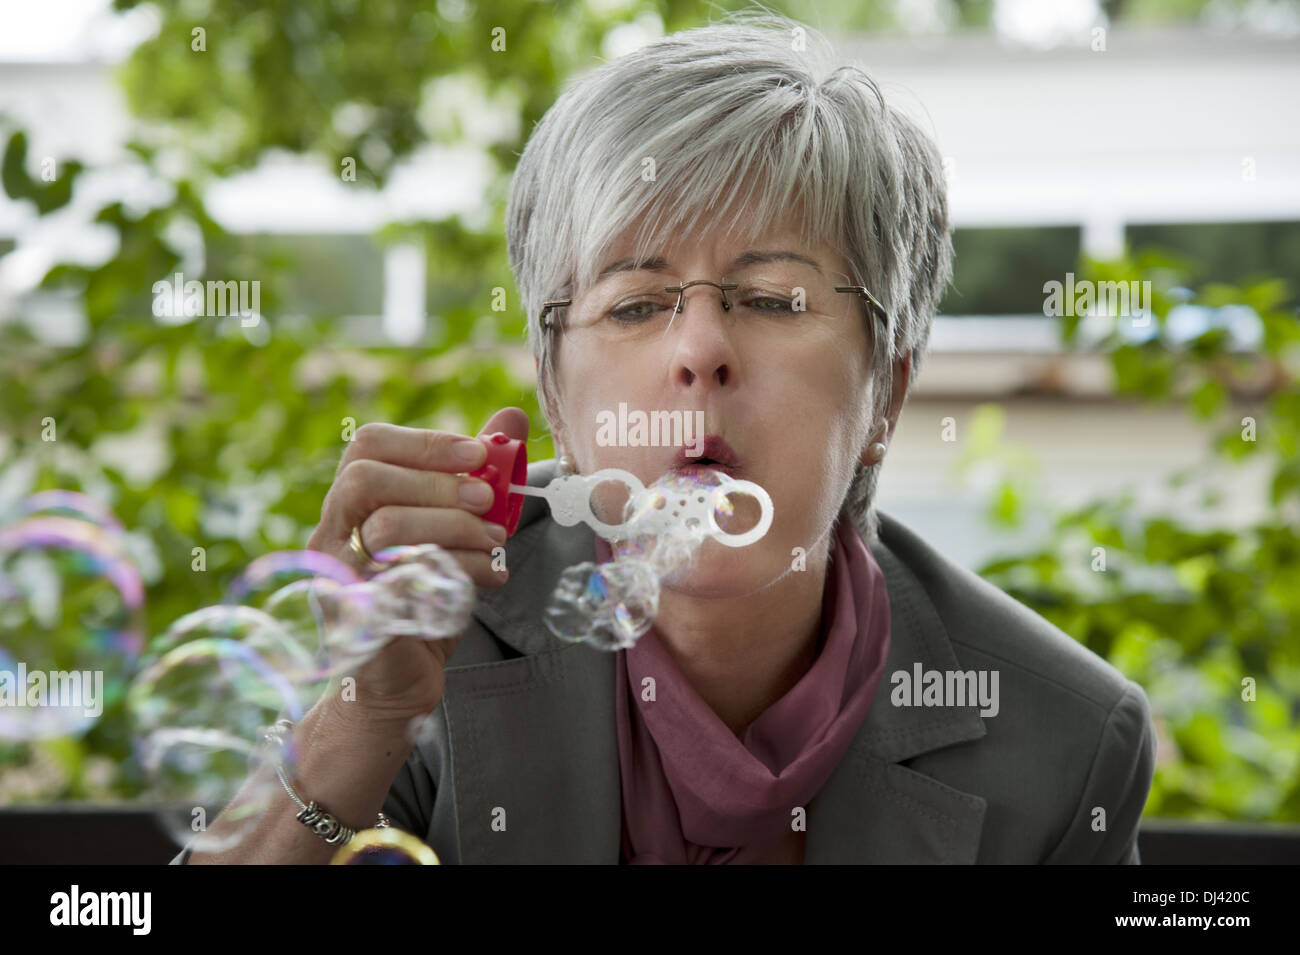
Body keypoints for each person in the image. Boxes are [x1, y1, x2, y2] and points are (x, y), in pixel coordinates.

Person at [175, 13, 1155, 865]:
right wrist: (366, 718)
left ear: (887, 393)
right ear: (556, 398)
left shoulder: (1066, 739)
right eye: (636, 302)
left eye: (773, 298)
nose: (700, 349)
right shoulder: (430, 620)